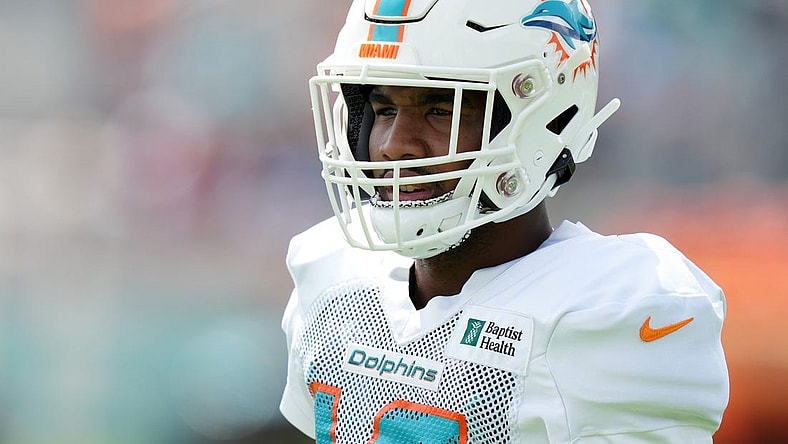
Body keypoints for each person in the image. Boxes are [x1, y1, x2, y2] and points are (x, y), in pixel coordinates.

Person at [279, 0, 729, 442]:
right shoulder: (333, 279)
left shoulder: (606, 312)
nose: (395, 145)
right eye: (384, 109)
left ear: (542, 118)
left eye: (441, 110)